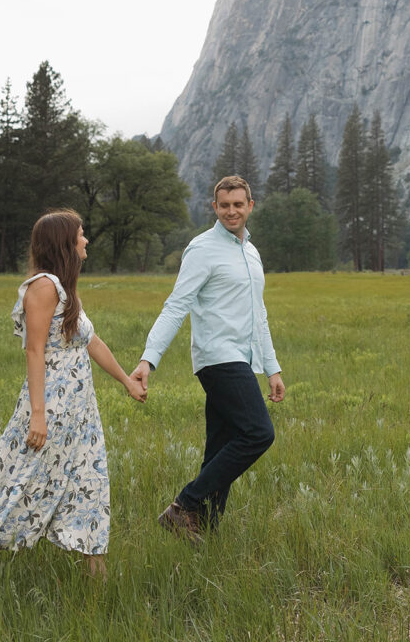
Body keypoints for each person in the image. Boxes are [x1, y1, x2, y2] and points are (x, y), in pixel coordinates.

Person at [0, 209, 146, 580]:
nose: (86, 240)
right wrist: (38, 414)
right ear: (65, 243)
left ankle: (97, 576)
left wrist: (126, 382)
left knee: (90, 482)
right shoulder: (43, 286)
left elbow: (91, 342)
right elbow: (35, 350)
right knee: (20, 481)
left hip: (80, 412)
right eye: (81, 234)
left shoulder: (65, 287)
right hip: (50, 405)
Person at [133, 175, 285, 544]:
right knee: (258, 433)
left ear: (250, 206)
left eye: (238, 204)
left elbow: (258, 313)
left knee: (221, 445)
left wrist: (272, 368)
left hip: (244, 358)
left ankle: (203, 530)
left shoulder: (251, 251)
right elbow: (176, 305)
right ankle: (185, 505)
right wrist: (148, 360)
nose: (231, 211)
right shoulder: (202, 248)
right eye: (224, 205)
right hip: (218, 358)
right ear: (214, 207)